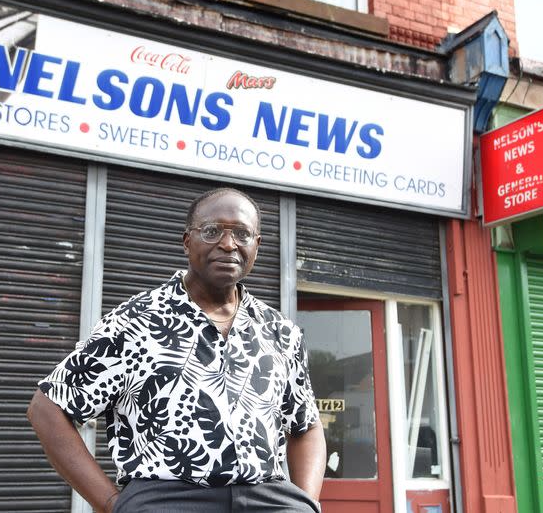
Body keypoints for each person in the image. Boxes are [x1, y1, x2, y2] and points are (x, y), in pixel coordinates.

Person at [27, 187, 326, 512]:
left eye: (242, 233)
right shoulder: (135, 321)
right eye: (212, 231)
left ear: (257, 244)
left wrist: (307, 502)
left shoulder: (280, 332)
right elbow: (47, 408)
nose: (228, 244)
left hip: (265, 495)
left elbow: (306, 425)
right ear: (187, 242)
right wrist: (113, 504)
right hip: (168, 498)